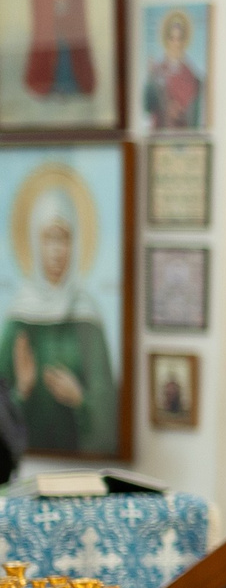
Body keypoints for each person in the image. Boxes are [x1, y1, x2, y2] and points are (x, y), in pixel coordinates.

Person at [3, 175, 118, 455]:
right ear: (33, 242)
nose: (56, 252)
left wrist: (80, 399)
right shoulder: (17, 319)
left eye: (63, 239)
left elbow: (107, 410)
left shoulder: (87, 316)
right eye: (48, 239)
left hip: (81, 461)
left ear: (75, 244)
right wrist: (23, 390)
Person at [143, 8, 203, 130]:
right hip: (160, 129)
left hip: (182, 128)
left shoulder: (189, 72)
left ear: (184, 40)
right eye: (172, 38)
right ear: (167, 39)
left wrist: (178, 106)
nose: (176, 43)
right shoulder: (157, 70)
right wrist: (150, 79)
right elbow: (147, 107)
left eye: (179, 39)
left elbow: (192, 99)